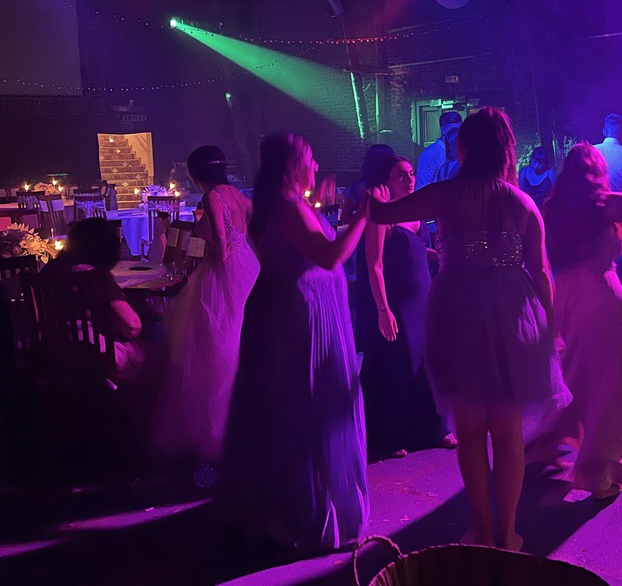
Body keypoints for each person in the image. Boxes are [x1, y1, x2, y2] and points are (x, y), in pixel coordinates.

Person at [368, 107, 566, 551]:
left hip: (456, 312)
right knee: (508, 430)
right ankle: (508, 533)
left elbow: (383, 215)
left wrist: (373, 197)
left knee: (471, 429)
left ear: (464, 147)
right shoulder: (523, 204)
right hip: (511, 314)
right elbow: (542, 273)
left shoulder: (446, 193)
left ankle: (481, 529)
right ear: (506, 149)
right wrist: (549, 331)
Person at [221, 133, 369, 555]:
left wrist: (322, 209)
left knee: (288, 410)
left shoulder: (284, 204)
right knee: (304, 410)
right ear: (292, 166)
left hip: (292, 311)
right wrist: (363, 216)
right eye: (310, 158)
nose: (316, 165)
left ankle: (280, 511)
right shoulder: (287, 207)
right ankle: (298, 514)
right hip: (298, 319)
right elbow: (330, 256)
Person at [529, 118, 622, 501]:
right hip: (600, 295)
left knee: (571, 377)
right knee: (610, 386)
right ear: (596, 172)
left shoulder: (553, 207)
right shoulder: (602, 205)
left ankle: (545, 443)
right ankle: (598, 472)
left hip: (564, 295)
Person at [150, 145, 260, 468]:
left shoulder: (212, 197)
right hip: (248, 267)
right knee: (238, 341)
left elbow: (222, 249)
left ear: (197, 173)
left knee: (213, 346)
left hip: (222, 272)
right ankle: (245, 423)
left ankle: (214, 433)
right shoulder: (238, 194)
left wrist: (205, 249)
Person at [356, 154, 453, 458]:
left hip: (423, 296)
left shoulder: (416, 213)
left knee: (430, 361)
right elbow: (374, 265)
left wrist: (441, 254)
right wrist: (383, 309)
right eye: (402, 175)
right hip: (397, 301)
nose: (410, 180)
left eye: (411, 174)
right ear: (387, 182)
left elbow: (415, 249)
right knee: (401, 363)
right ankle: (392, 435)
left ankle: (435, 429)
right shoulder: (382, 216)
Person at [43, 217, 148, 382]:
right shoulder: (95, 276)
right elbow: (133, 327)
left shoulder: (50, 269)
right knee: (153, 354)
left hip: (52, 354)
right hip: (91, 355)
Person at [416, 110, 462, 189]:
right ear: (443, 130)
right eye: (453, 130)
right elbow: (422, 187)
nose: (457, 133)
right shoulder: (430, 154)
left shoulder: (461, 151)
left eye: (460, 130)